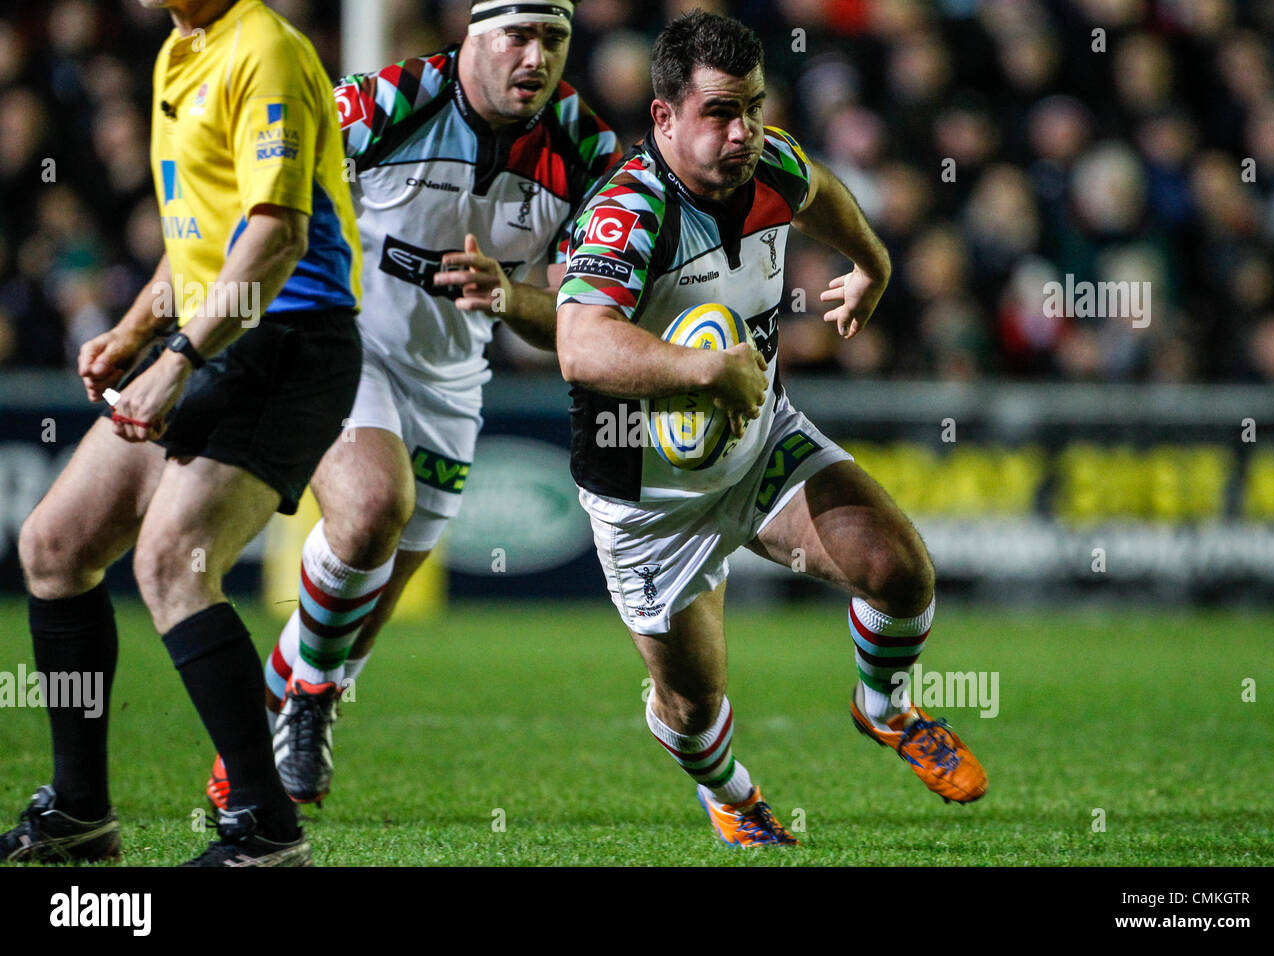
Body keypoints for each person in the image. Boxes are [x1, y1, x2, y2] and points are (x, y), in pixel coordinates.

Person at [556, 11, 987, 848]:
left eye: (753, 106)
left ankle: (884, 709)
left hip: (759, 448)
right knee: (692, 706)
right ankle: (731, 792)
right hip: (649, 499)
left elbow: (818, 187)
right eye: (719, 112)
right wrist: (700, 370)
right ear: (664, 117)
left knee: (899, 572)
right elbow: (579, 343)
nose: (743, 130)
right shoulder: (628, 213)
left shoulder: (769, 160)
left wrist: (874, 264)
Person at [205, 0, 621, 810]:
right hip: (341, 342)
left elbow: (579, 322)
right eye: (517, 36)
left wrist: (508, 297)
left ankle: (266, 734)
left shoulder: (591, 151)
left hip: (451, 381)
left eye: (554, 39)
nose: (536, 57)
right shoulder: (380, 104)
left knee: (364, 610)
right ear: (473, 31)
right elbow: (259, 198)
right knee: (369, 511)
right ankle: (310, 702)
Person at [0, 0, 362, 866]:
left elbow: (275, 237)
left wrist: (180, 358)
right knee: (55, 544)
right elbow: (198, 235)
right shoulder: (177, 51)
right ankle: (81, 814)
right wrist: (133, 332)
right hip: (212, 339)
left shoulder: (263, 48)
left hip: (288, 341)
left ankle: (265, 831)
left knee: (171, 561)